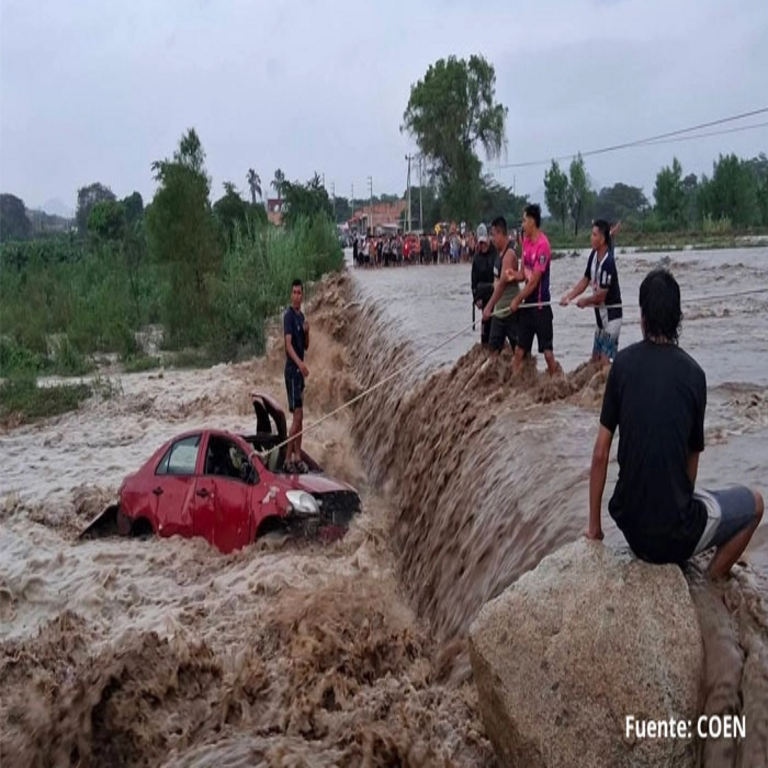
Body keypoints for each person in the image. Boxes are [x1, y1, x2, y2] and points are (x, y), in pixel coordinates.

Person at [587, 268, 763, 578]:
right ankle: (707, 582)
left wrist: (594, 528)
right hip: (672, 536)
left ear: (642, 317)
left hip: (630, 527)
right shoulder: (695, 375)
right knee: (756, 505)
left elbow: (600, 453)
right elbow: (691, 463)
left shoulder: (622, 365)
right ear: (678, 318)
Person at [560, 219, 623, 365]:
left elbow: (601, 296)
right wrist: (569, 297)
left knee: (604, 361)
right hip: (600, 319)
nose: (591, 237)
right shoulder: (593, 256)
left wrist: (585, 301)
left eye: (594, 235)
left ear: (602, 239)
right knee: (595, 360)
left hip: (612, 318)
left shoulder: (608, 263)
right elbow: (585, 280)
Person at [508, 204, 560, 375]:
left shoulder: (543, 246)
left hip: (540, 306)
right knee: (519, 351)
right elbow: (525, 274)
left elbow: (534, 282)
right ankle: (513, 385)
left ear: (532, 221)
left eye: (524, 220)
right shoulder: (526, 243)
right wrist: (513, 275)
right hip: (528, 308)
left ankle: (557, 383)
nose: (522, 224)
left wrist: (517, 299)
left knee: (547, 354)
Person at [483, 216, 523, 354]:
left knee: (520, 353)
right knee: (493, 350)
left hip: (511, 311)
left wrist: (488, 307)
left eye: (493, 235)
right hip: (499, 312)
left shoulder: (509, 255)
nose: (492, 239)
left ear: (500, 233)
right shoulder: (499, 251)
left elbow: (501, 285)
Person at [283, 279, 310, 473]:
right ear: (291, 294)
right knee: (297, 417)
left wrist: (308, 333)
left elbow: (305, 345)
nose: (296, 296)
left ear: (302, 295)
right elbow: (288, 345)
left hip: (299, 374)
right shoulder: (289, 317)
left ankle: (298, 456)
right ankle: (286, 459)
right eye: (294, 292)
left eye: (299, 293)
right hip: (293, 371)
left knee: (300, 417)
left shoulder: (302, 318)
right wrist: (300, 365)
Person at [471, 223, 498, 346]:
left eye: (484, 242)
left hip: (497, 297)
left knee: (497, 330)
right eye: (480, 243)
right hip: (484, 298)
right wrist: (476, 299)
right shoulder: (476, 258)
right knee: (485, 332)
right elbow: (474, 282)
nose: (482, 245)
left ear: (488, 238)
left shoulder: (496, 253)